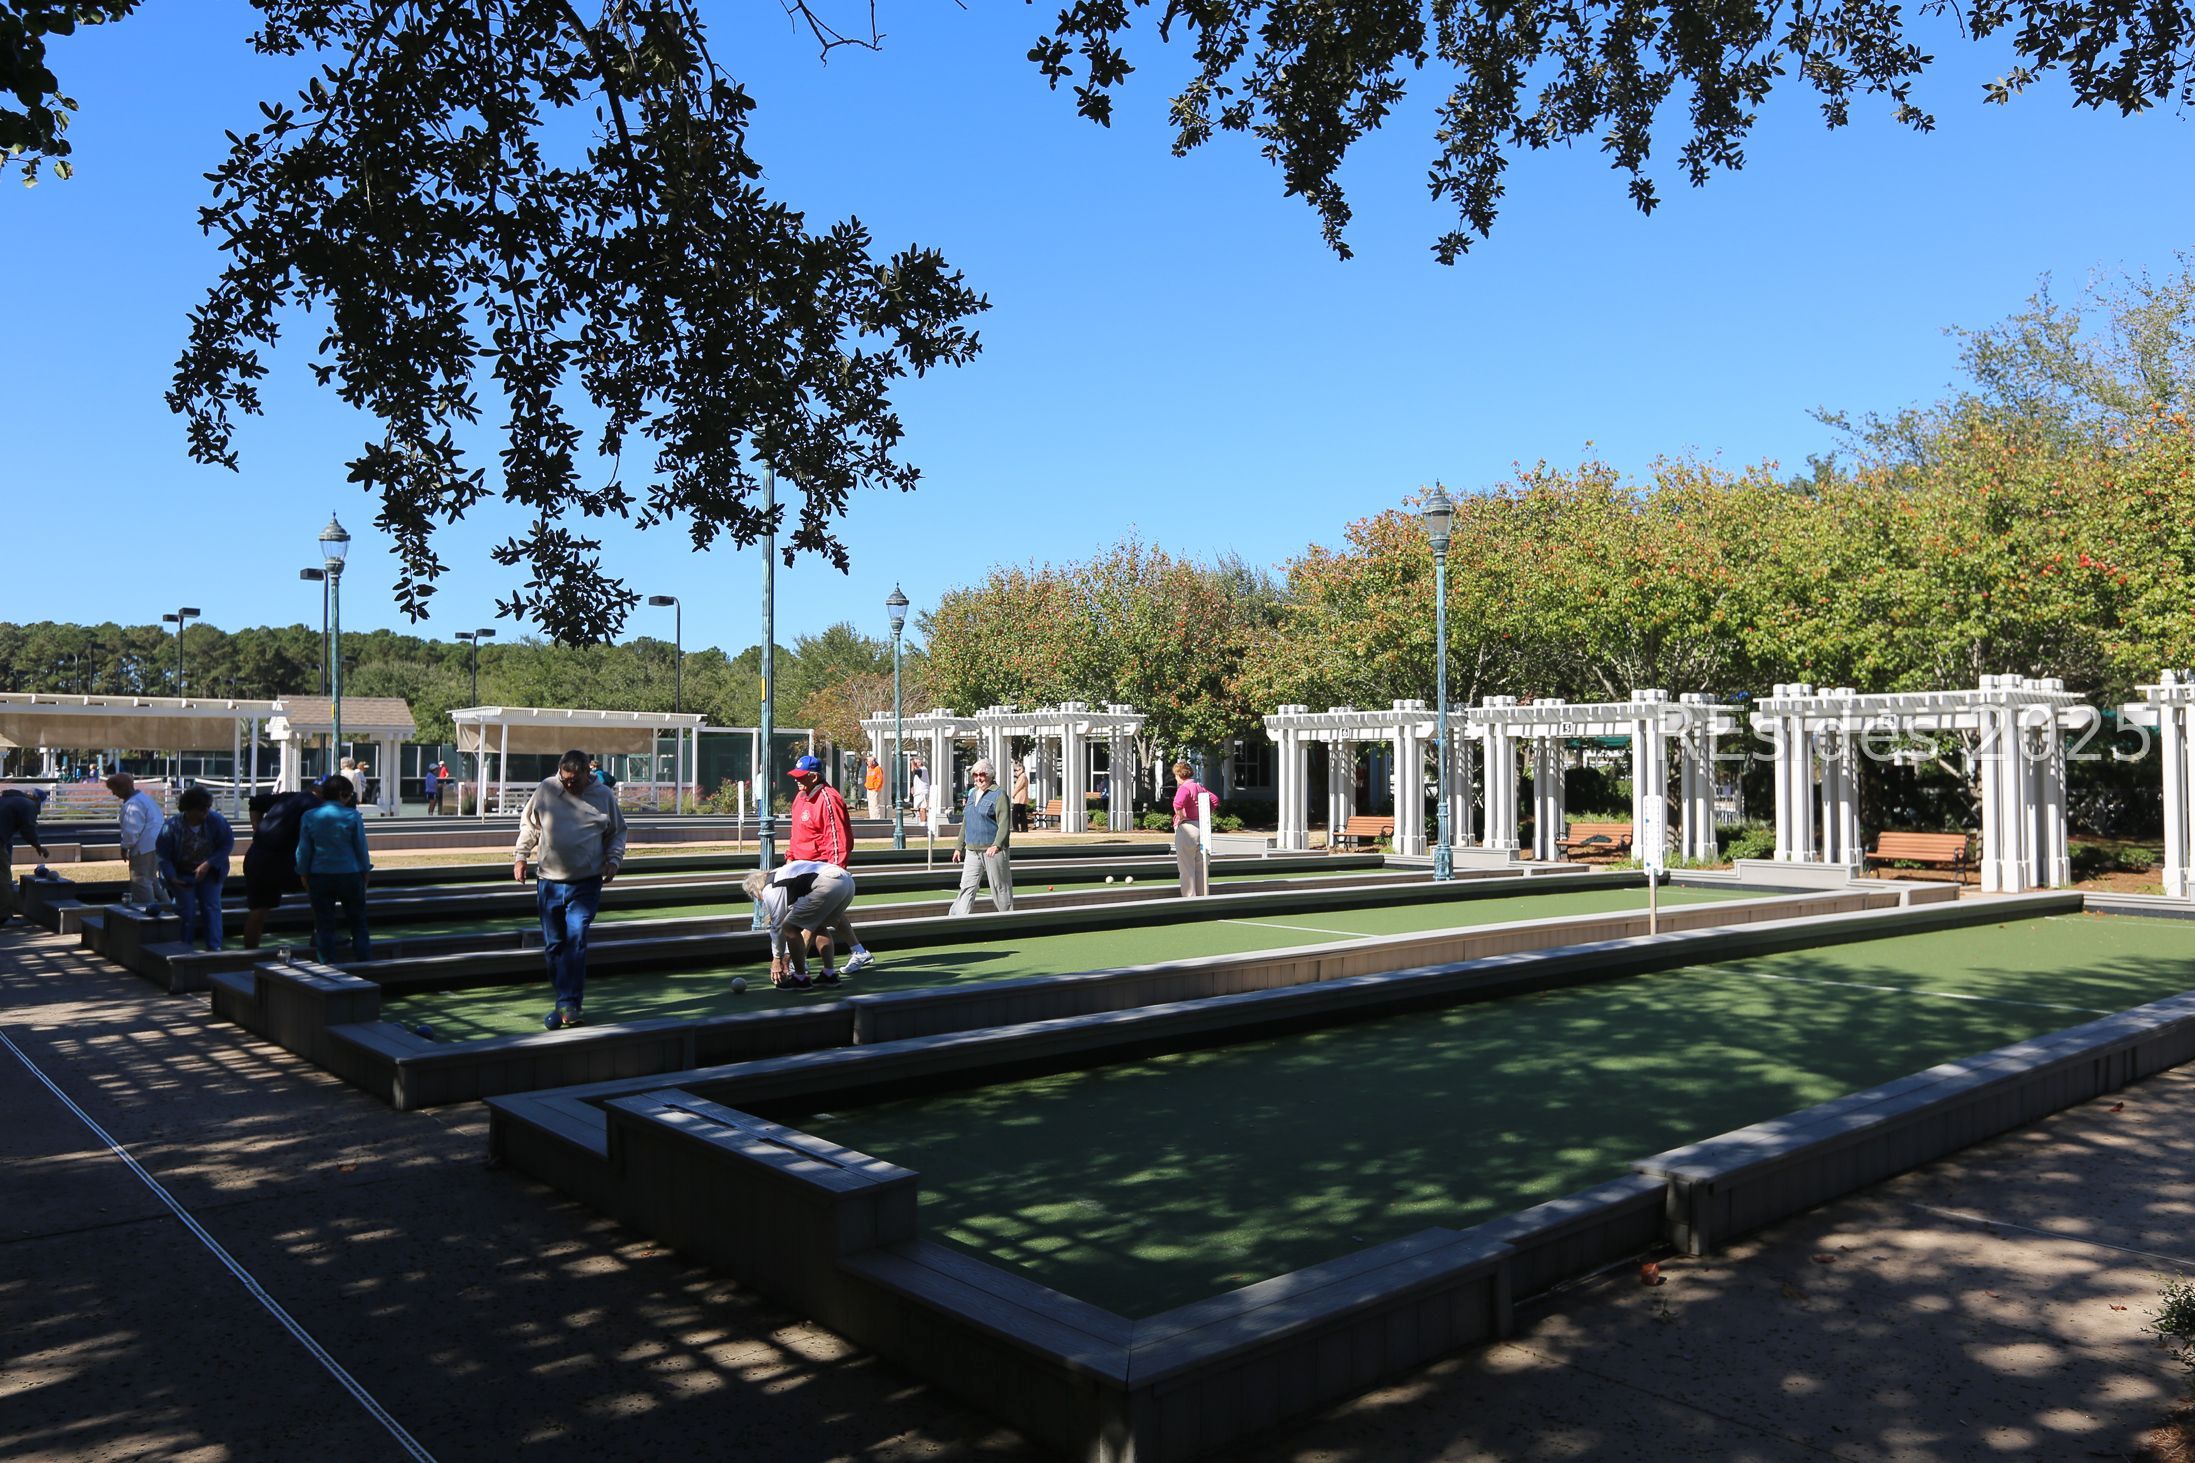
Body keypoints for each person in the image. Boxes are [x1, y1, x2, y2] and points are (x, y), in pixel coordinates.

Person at [513, 748, 628, 1030]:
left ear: (588, 773)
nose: (569, 785)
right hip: (549, 882)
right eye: (565, 780)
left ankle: (570, 1001)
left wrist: (613, 860)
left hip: (586, 881)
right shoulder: (547, 789)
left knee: (576, 938)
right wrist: (520, 856)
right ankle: (564, 995)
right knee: (554, 945)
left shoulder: (603, 796)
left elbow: (617, 832)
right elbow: (530, 825)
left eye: (574, 781)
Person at [785, 754, 872, 973]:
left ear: (814, 777)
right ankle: (858, 951)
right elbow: (797, 833)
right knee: (826, 916)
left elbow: (838, 838)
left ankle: (798, 965)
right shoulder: (800, 797)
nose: (796, 780)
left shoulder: (828, 798)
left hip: (822, 870)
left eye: (801, 776)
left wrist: (835, 872)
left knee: (810, 919)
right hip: (802, 868)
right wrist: (790, 858)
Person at [742, 860, 855, 989]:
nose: (757, 899)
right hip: (847, 881)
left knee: (789, 927)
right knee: (820, 927)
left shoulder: (770, 887)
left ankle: (800, 978)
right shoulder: (783, 874)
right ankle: (829, 975)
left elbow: (778, 926)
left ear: (755, 888)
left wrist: (777, 959)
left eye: (753, 895)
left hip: (828, 883)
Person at [296, 773, 372, 963]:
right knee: (358, 923)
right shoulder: (353, 816)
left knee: (324, 924)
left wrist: (303, 873)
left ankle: (327, 965)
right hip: (350, 873)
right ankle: (365, 963)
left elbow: (304, 849)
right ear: (342, 795)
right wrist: (365, 871)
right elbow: (360, 847)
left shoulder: (309, 816)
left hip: (320, 874)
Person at [240, 785, 321, 948]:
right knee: (321, 891)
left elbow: (255, 802)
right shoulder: (317, 806)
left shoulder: (289, 797)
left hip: (256, 856)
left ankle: (248, 956)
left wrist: (256, 827)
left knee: (258, 909)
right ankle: (321, 935)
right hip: (283, 859)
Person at [156, 785, 235, 950]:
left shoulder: (217, 821)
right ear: (189, 809)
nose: (205, 812)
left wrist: (208, 864)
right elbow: (163, 855)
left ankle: (214, 947)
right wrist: (171, 877)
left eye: (207, 808)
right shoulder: (171, 827)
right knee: (186, 911)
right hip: (182, 874)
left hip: (211, 874)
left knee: (211, 907)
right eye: (201, 809)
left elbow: (226, 845)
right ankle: (184, 946)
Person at [950, 759, 1013, 915]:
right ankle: (958, 919)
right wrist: (959, 847)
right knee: (966, 886)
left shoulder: (999, 795)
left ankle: (1008, 918)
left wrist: (997, 845)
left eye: (982, 774)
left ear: (990, 775)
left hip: (993, 851)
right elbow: (967, 821)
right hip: (972, 850)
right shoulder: (972, 794)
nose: (978, 778)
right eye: (975, 775)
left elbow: (1004, 824)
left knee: (1000, 887)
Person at [106, 773, 166, 907]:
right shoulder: (145, 799)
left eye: (114, 790)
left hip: (144, 847)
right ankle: (167, 907)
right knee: (152, 880)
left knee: (141, 881)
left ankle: (146, 912)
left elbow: (131, 831)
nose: (114, 794)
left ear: (123, 788)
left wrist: (124, 846)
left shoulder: (132, 805)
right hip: (157, 844)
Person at [0, 788, 50, 926]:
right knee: (4, 879)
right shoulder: (27, 805)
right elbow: (28, 829)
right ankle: (3, 917)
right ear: (37, 801)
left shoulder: (7, 800)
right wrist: (38, 847)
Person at [1172, 759, 1214, 898]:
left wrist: (1181, 816)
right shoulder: (1199, 786)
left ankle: (1189, 897)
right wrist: (1207, 813)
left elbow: (1177, 804)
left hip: (1187, 828)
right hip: (1200, 827)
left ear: (1179, 775)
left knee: (1186, 867)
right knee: (1200, 866)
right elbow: (1214, 800)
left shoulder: (1183, 788)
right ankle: (1202, 895)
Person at [1009, 758, 1031, 833]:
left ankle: (1016, 828)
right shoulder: (1023, 776)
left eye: (1017, 770)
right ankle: (1024, 828)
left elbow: (1018, 787)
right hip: (1022, 797)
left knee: (1015, 812)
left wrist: (1013, 794)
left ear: (1021, 769)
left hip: (1020, 797)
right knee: (1022, 813)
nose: (1016, 772)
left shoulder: (1022, 776)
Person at [909, 757, 931, 827]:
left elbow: (913, 770)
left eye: (916, 763)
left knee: (922, 808)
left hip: (922, 793)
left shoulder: (922, 770)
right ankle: (922, 822)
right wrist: (913, 787)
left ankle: (924, 824)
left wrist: (912, 763)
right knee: (918, 809)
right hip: (919, 792)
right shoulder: (920, 771)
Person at [863, 755, 884, 820]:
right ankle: (872, 818)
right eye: (867, 761)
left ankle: (876, 819)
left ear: (873, 762)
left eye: (869, 761)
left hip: (874, 790)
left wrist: (876, 788)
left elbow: (880, 779)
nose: (867, 763)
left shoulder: (878, 769)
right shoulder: (869, 769)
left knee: (875, 805)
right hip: (869, 789)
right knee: (870, 805)